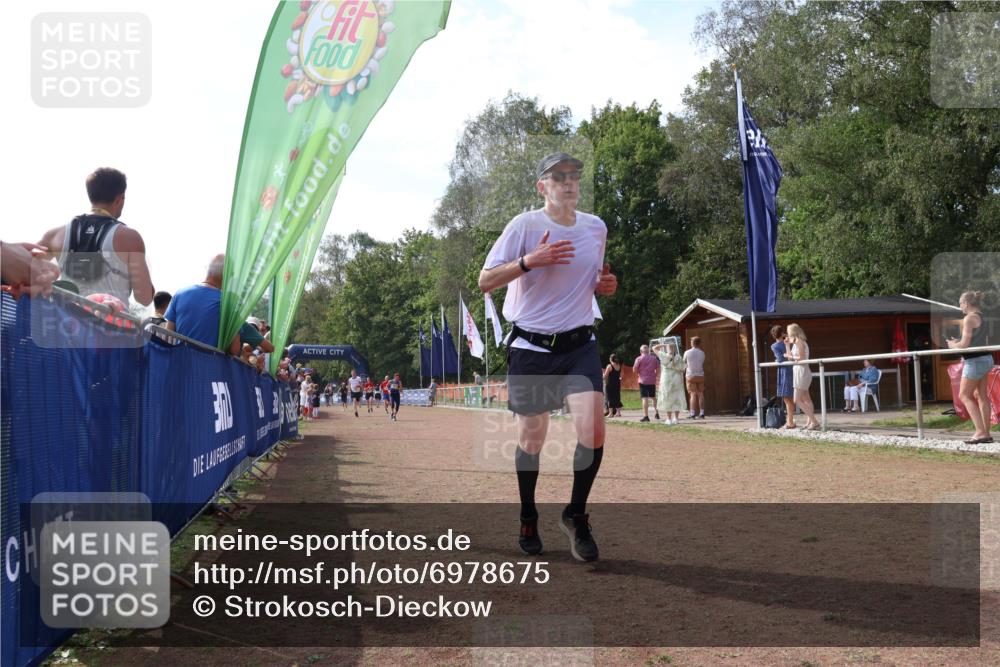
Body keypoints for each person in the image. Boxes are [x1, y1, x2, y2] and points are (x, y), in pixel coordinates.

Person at [478, 151, 618, 562]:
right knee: (531, 440)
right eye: (559, 177)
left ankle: (575, 515)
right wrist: (528, 262)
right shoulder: (524, 225)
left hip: (579, 345)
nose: (569, 182)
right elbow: (486, 281)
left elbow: (591, 281)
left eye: (574, 176)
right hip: (532, 348)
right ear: (543, 186)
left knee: (593, 431)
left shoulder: (596, 228)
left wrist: (605, 285)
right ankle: (527, 514)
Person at [38, 168, 153, 306]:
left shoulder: (55, 235)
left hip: (66, 323)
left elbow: (24, 269)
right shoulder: (130, 238)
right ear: (119, 199)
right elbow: (145, 298)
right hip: (110, 325)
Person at [164, 254, 240, 354]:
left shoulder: (180, 294)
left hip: (179, 362)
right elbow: (233, 350)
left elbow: (168, 336)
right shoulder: (229, 303)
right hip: (209, 366)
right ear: (227, 275)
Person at [947, 290, 994, 444]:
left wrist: (952, 345)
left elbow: (964, 345)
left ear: (966, 303)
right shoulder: (983, 316)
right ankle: (986, 433)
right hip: (986, 358)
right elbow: (976, 340)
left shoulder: (968, 319)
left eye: (960, 303)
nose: (960, 306)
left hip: (975, 361)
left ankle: (980, 432)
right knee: (981, 396)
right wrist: (959, 340)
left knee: (964, 396)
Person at [786, 323, 820, 430]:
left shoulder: (799, 341)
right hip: (799, 370)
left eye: (788, 332)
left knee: (797, 400)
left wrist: (790, 356)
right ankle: (810, 422)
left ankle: (814, 421)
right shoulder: (796, 343)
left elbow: (801, 357)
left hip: (801, 371)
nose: (787, 334)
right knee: (806, 398)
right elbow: (790, 358)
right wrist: (787, 346)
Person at [652, 341, 686, 425]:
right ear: (674, 348)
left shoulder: (663, 355)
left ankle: (669, 419)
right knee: (676, 398)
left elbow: (654, 348)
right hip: (676, 379)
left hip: (666, 379)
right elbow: (683, 369)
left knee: (667, 398)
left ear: (667, 348)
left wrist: (664, 344)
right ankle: (676, 419)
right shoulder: (678, 357)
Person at [769, 325, 796, 428]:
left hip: (784, 371)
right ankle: (790, 421)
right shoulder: (788, 342)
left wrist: (776, 360)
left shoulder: (774, 346)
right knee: (791, 398)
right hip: (791, 369)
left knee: (787, 399)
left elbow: (780, 359)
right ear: (783, 333)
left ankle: (790, 422)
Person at [633, 344, 660, 422]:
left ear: (641, 351)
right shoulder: (654, 358)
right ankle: (656, 413)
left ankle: (646, 416)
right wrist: (655, 376)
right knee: (653, 397)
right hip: (652, 380)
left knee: (645, 398)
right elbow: (658, 369)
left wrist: (639, 372)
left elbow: (634, 369)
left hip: (643, 380)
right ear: (648, 351)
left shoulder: (638, 359)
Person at [683, 336, 706, 419]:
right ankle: (702, 413)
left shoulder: (687, 352)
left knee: (693, 394)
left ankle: (692, 414)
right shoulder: (702, 353)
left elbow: (684, 363)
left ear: (692, 343)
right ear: (699, 343)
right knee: (701, 394)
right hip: (700, 375)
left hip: (690, 375)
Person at [603, 353, 623, 418]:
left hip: (610, 384)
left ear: (611, 359)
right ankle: (618, 413)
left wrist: (602, 375)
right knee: (617, 397)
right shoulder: (619, 365)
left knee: (610, 398)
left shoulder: (609, 366)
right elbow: (621, 375)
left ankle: (611, 413)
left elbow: (605, 376)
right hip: (617, 383)